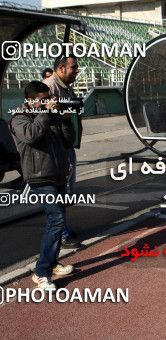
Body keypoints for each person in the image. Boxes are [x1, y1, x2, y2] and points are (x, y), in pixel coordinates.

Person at [10, 81, 75, 289]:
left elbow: (68, 141)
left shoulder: (49, 115)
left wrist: (65, 121)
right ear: (30, 99)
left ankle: (52, 262)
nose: (48, 101)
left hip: (57, 175)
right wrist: (47, 114)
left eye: (49, 98)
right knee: (56, 220)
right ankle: (41, 272)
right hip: (39, 177)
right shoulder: (19, 118)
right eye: (43, 99)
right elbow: (31, 135)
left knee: (58, 219)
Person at [44, 54, 82, 248]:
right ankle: (61, 233)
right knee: (61, 191)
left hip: (66, 146)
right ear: (61, 68)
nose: (77, 70)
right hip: (57, 149)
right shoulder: (49, 87)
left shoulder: (66, 86)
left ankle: (63, 229)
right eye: (73, 67)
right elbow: (41, 118)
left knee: (67, 191)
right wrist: (60, 115)